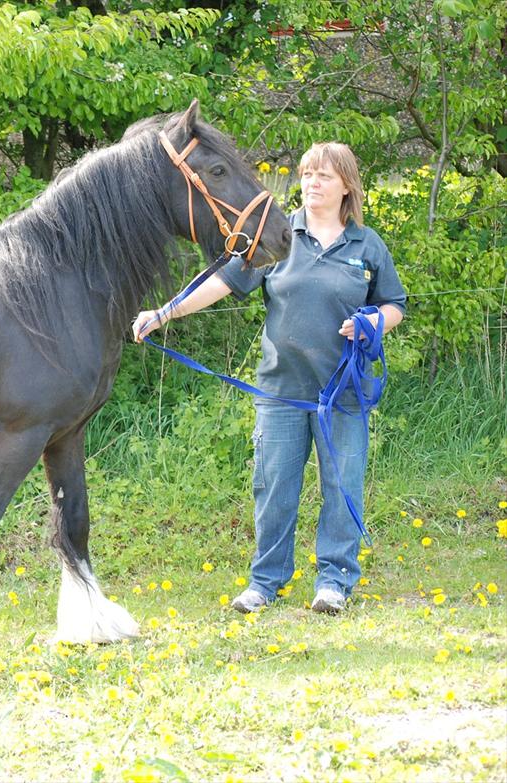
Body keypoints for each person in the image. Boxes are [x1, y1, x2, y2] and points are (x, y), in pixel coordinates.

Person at [132, 142, 407, 615]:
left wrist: (374, 323)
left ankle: (334, 582)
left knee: (342, 487)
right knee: (274, 487)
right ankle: (266, 581)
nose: (312, 183)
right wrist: (164, 312)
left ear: (346, 186)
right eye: (306, 174)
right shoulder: (278, 235)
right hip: (280, 391)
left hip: (343, 394)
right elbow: (220, 281)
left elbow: (394, 304)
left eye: (323, 176)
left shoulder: (366, 244)